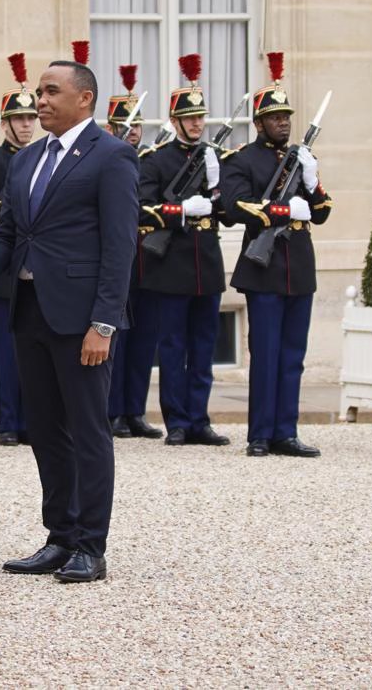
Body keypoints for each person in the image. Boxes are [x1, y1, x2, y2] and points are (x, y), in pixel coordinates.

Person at [0, 57, 138, 584]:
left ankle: (91, 546)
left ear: (84, 98)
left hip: (81, 320)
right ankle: (60, 536)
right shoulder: (26, 160)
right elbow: (8, 233)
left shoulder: (111, 156)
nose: (40, 101)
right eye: (39, 91)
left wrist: (104, 323)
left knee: (88, 432)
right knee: (45, 430)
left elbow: (119, 248)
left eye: (51, 91)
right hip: (29, 311)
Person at [222, 52, 330, 458]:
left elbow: (322, 212)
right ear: (259, 123)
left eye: (286, 117)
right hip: (264, 267)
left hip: (298, 267)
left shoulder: (301, 159)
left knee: (293, 356)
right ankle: (260, 434)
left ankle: (286, 431)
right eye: (275, 117)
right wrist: (283, 210)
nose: (283, 122)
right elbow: (234, 206)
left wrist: (312, 182)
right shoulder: (242, 160)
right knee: (266, 355)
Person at [136, 54, 230, 447]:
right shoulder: (156, 160)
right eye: (189, 118)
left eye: (200, 117)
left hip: (206, 262)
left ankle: (199, 419)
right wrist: (179, 212)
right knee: (173, 347)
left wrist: (217, 188)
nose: (196, 124)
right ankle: (176, 420)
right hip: (171, 264)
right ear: (174, 121)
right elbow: (143, 208)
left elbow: (227, 211)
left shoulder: (213, 157)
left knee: (204, 347)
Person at [0, 54, 38, 446]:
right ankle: (9, 423)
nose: (27, 124)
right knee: (6, 349)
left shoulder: (42, 155)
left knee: (33, 349)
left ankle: (32, 421)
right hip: (4, 266)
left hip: (35, 267)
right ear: (5, 124)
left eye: (31, 117)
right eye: (19, 119)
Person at [104, 63, 162, 439]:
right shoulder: (107, 158)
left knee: (144, 338)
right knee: (116, 338)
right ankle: (113, 412)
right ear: (111, 128)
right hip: (118, 256)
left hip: (149, 258)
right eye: (126, 125)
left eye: (138, 125)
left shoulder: (152, 160)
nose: (134, 131)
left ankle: (135, 411)